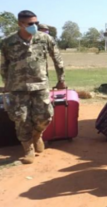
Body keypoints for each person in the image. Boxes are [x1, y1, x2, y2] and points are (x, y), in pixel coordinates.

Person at [0, 10, 65, 164]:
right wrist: (6, 84)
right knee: (21, 118)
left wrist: (61, 79)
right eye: (30, 24)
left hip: (40, 85)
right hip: (17, 87)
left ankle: (37, 135)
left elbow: (57, 58)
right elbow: (3, 65)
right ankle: (28, 148)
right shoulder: (7, 42)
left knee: (45, 116)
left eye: (36, 23)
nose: (34, 26)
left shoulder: (45, 39)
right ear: (20, 24)